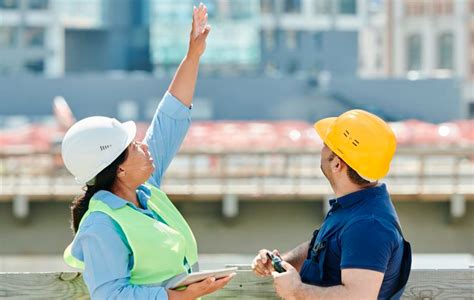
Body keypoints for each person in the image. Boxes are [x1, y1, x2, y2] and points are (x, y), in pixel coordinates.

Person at [62, 4, 234, 299]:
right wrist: (176, 297)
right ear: (119, 168)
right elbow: (110, 295)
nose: (144, 145)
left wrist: (193, 56)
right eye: (133, 147)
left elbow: (170, 118)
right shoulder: (101, 224)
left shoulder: (147, 192)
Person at [252, 110, 412, 300]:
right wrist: (281, 262)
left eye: (327, 145)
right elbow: (324, 248)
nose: (322, 149)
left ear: (337, 164)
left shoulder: (369, 225)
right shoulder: (355, 207)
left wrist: (296, 290)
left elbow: (359, 297)